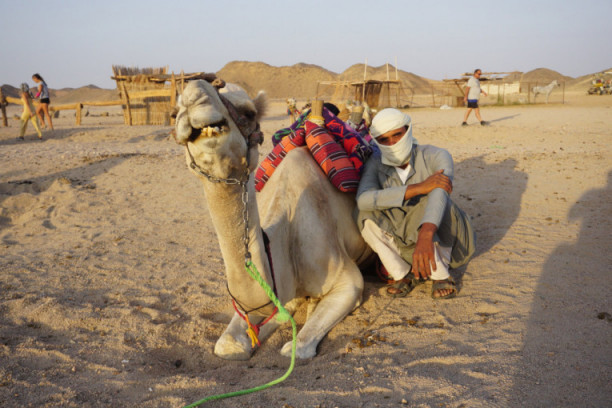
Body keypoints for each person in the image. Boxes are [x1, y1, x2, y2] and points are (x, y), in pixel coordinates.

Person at [355, 108, 475, 299]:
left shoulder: (437, 155)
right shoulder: (375, 163)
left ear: (408, 130)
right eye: (384, 139)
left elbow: (440, 193)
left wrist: (426, 234)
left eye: (397, 135)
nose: (392, 143)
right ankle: (402, 273)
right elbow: (363, 200)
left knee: (432, 199)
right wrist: (418, 188)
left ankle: (440, 275)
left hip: (441, 235)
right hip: (405, 236)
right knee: (363, 214)